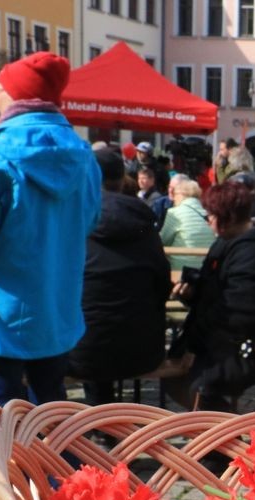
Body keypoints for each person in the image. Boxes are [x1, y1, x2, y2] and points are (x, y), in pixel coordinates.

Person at [0, 52, 101, 500]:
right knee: (51, 417)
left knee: (2, 424)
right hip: (55, 307)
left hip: (0, 310)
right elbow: (87, 219)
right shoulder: (81, 155)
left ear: (13, 96)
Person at [166, 182, 255, 412]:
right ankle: (223, 435)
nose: (207, 221)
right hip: (223, 339)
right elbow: (215, 296)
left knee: (200, 386)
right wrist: (192, 292)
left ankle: (227, 439)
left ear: (225, 218)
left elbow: (239, 313)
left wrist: (195, 348)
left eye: (210, 216)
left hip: (253, 346)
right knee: (174, 379)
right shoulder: (228, 241)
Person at [70, 148, 170, 406]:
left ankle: (98, 426)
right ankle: (108, 426)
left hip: (83, 351)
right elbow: (163, 284)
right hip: (143, 349)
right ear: (122, 178)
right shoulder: (143, 221)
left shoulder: (71, 220)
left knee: (89, 329)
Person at [160, 173, 215, 273]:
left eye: (175, 194)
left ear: (181, 195)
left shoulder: (175, 213)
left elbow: (163, 240)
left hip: (180, 270)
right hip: (205, 269)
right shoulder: (207, 213)